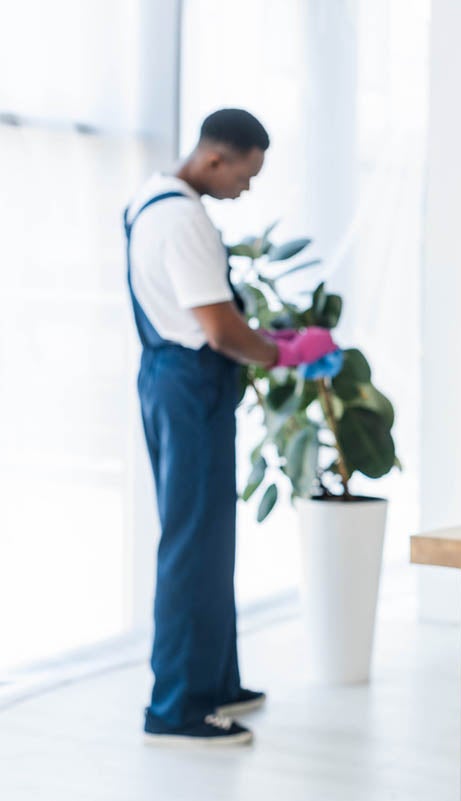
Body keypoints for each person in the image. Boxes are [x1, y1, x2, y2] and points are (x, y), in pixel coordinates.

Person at [125, 108, 338, 746]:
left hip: (176, 377)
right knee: (193, 545)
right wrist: (287, 351)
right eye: (245, 174)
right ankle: (177, 708)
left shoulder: (149, 198)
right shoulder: (184, 217)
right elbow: (217, 328)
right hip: (189, 384)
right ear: (216, 159)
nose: (246, 189)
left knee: (209, 539)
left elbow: (195, 314)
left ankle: (215, 683)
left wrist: (271, 338)